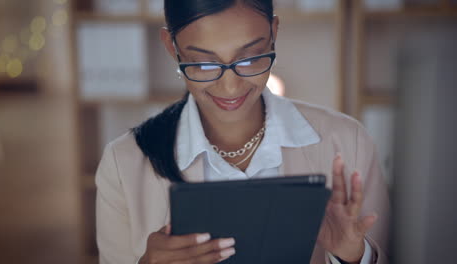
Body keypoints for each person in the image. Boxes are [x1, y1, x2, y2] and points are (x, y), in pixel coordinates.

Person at [95, 1, 390, 263]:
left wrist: (353, 257)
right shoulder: (123, 164)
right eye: (204, 63)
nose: (231, 87)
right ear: (172, 47)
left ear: (273, 33)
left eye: (250, 58)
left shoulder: (348, 142)